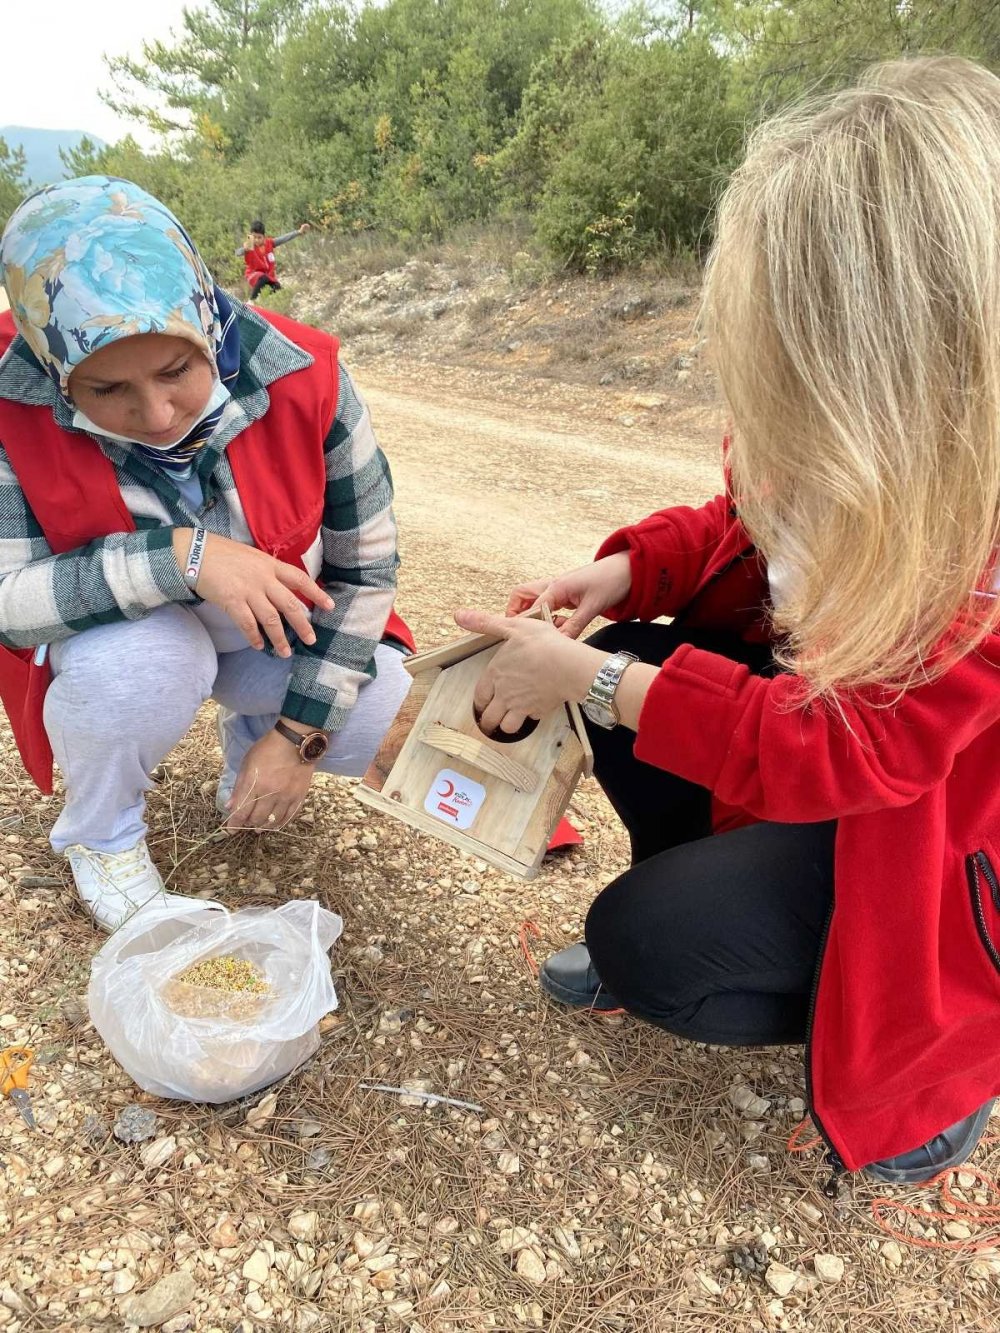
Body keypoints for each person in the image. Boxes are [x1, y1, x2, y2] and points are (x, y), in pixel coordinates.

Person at [455, 57, 1000, 1186]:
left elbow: (858, 750)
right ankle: (722, 887)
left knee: (645, 935)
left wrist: (583, 678)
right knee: (619, 667)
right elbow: (744, 518)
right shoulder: (837, 432)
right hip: (818, 758)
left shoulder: (980, 548)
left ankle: (935, 1072)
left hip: (930, 834)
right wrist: (620, 571)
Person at [0, 175, 413, 931]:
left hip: (271, 630)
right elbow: (10, 603)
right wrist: (184, 557)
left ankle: (255, 737)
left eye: (176, 371)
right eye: (105, 388)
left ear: (204, 319)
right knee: (149, 663)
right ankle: (101, 835)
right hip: (131, 638)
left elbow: (367, 568)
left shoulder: (302, 374)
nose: (155, 415)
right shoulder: (9, 401)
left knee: (381, 703)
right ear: (55, 372)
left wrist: (300, 737)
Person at [236, 219, 311, 301]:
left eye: (259, 237)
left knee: (277, 287)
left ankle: (264, 301)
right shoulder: (250, 245)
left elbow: (283, 239)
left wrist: (298, 232)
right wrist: (245, 249)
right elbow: (238, 253)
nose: (256, 240)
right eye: (254, 237)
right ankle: (251, 301)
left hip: (268, 276)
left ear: (264, 236)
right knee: (263, 277)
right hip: (253, 275)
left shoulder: (269, 243)